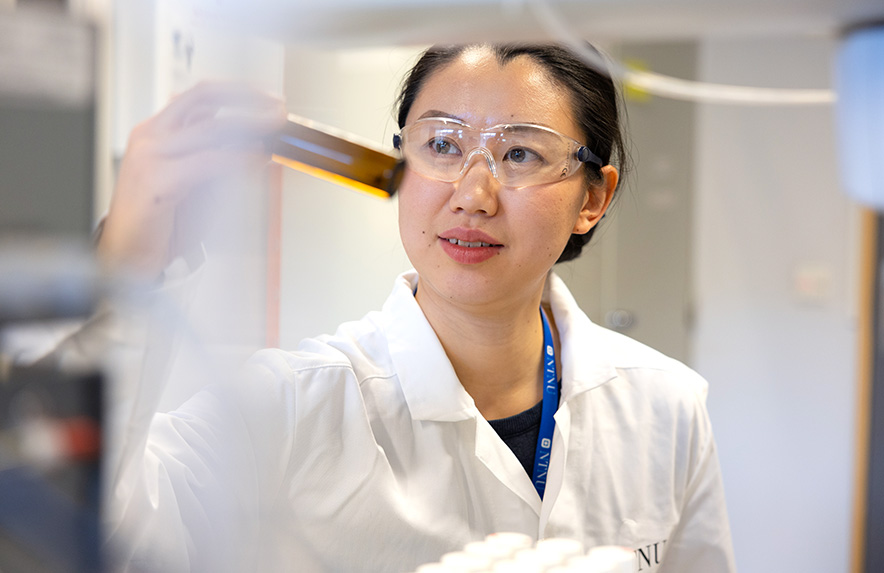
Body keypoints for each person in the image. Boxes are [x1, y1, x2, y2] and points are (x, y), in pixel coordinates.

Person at [93, 43, 735, 572]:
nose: (473, 195)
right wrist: (126, 268)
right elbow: (102, 532)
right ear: (399, 165)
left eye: (520, 154)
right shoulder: (287, 408)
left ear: (593, 198)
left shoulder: (667, 406)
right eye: (443, 147)